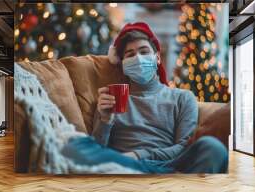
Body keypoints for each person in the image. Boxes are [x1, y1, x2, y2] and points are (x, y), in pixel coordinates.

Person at [90, 22, 228, 173]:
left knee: (212, 147)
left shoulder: (182, 98)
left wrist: (138, 155)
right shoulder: (110, 99)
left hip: (169, 166)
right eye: (130, 55)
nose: (138, 59)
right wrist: (105, 120)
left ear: (157, 58)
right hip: (125, 168)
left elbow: (183, 146)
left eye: (144, 52)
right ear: (123, 64)